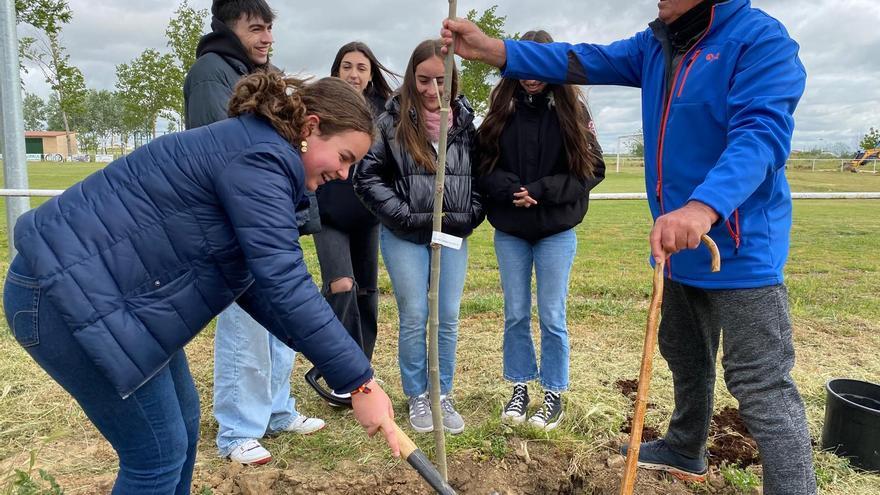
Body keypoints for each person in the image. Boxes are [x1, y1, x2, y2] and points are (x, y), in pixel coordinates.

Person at [442, 0, 816, 492]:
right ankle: (685, 446)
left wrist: (702, 207)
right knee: (684, 353)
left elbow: (760, 138)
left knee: (760, 383)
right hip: (676, 244)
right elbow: (579, 59)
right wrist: (497, 51)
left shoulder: (760, 41)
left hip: (738, 247)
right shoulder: (654, 45)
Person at [4, 72, 400, 494]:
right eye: (343, 157)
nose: (344, 173)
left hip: (114, 301)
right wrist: (359, 381)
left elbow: (258, 286)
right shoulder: (260, 158)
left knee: (185, 428)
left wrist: (339, 368)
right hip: (63, 297)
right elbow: (282, 278)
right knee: (155, 456)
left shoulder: (257, 151)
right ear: (310, 127)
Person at [183, 0, 324, 465]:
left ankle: (278, 409)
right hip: (236, 220)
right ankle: (238, 429)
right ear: (229, 27)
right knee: (245, 325)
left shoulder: (268, 73)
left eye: (270, 30)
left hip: (273, 214)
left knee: (280, 317)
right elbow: (218, 148)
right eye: (256, 29)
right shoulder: (211, 72)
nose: (267, 38)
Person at [476, 29, 606, 431]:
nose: (530, 74)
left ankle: (553, 393)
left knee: (551, 315)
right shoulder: (500, 111)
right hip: (511, 231)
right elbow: (481, 166)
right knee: (515, 314)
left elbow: (592, 170)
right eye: (523, 65)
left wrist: (542, 191)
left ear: (551, 66)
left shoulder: (573, 114)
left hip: (555, 231)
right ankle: (519, 387)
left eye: (539, 64)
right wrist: (510, 190)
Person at [353, 39, 484, 435]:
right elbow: (366, 177)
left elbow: (483, 177)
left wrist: (468, 215)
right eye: (423, 79)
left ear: (453, 81)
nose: (432, 89)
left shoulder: (464, 124)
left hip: (452, 236)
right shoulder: (390, 122)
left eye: (441, 80)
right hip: (405, 236)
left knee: (447, 316)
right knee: (414, 316)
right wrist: (406, 217)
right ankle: (418, 395)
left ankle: (442, 392)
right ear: (411, 77)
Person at [313, 42, 397, 397]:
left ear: (371, 73)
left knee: (366, 292)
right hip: (328, 213)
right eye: (347, 66)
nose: (354, 74)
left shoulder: (383, 113)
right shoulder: (319, 108)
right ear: (336, 71)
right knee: (340, 285)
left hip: (368, 215)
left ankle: (361, 371)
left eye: (361, 68)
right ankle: (338, 367)